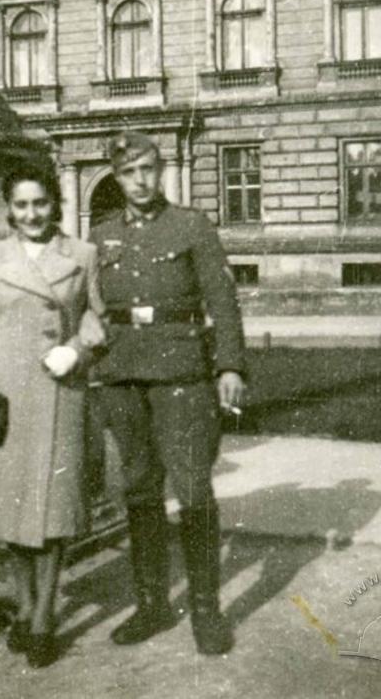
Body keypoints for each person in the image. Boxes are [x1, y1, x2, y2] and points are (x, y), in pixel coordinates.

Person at [90, 131, 246, 656]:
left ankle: (206, 610)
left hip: (182, 373)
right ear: (116, 176)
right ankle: (153, 604)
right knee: (138, 489)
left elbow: (222, 300)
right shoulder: (101, 232)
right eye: (129, 172)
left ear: (160, 171)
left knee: (194, 489)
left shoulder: (191, 225)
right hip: (122, 374)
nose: (139, 181)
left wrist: (229, 365)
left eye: (147, 170)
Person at [0, 162, 105, 668]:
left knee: (53, 512)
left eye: (40, 203)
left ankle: (43, 615)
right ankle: (22, 605)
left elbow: (98, 319)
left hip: (62, 390)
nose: (31, 214)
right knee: (11, 510)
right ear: (9, 210)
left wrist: (77, 350)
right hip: (7, 395)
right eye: (20, 205)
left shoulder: (82, 255)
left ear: (54, 203)